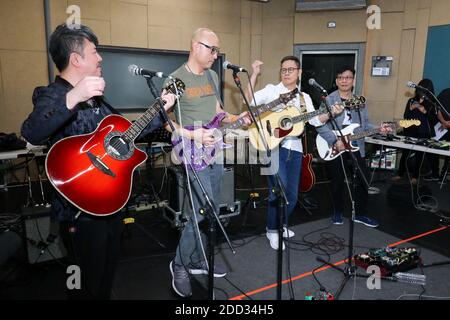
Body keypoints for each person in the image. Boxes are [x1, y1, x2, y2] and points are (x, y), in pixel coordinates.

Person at [21, 23, 174, 299]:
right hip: (77, 211)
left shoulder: (99, 101)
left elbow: (127, 134)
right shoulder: (51, 95)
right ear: (76, 59)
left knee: (105, 277)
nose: (101, 57)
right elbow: (32, 131)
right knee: (81, 283)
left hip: (110, 203)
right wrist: (74, 96)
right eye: (95, 52)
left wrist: (160, 109)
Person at [163, 28, 250, 298]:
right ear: (195, 46)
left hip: (214, 151)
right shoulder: (175, 79)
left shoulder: (212, 76)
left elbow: (218, 114)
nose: (215, 55)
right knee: (205, 208)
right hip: (190, 152)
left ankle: (197, 258)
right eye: (212, 49)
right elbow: (163, 122)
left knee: (202, 211)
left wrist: (236, 119)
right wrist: (192, 134)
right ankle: (179, 264)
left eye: (217, 51)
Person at [245, 57, 342, 250]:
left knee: (292, 196)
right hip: (273, 147)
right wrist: (254, 74)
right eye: (283, 70)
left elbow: (315, 121)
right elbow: (248, 100)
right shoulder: (273, 90)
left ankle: (280, 224)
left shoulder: (304, 98)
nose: (287, 72)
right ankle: (272, 230)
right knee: (277, 193)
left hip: (295, 150)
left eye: (291, 69)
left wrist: (331, 113)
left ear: (299, 72)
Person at [316, 66, 391, 228]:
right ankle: (337, 212)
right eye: (341, 77)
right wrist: (334, 141)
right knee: (336, 181)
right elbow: (319, 124)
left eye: (348, 77)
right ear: (336, 81)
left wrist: (380, 128)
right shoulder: (329, 100)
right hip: (335, 146)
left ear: (353, 80)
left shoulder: (360, 101)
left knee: (363, 180)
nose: (344, 80)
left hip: (356, 145)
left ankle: (360, 214)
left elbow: (364, 125)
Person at [393, 79, 438, 183]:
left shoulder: (432, 103)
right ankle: (400, 174)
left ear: (428, 90)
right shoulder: (412, 100)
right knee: (405, 153)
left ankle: (415, 177)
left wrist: (425, 111)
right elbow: (406, 116)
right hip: (410, 130)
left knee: (419, 155)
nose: (421, 91)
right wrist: (412, 108)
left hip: (423, 132)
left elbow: (434, 120)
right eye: (419, 88)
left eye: (424, 89)